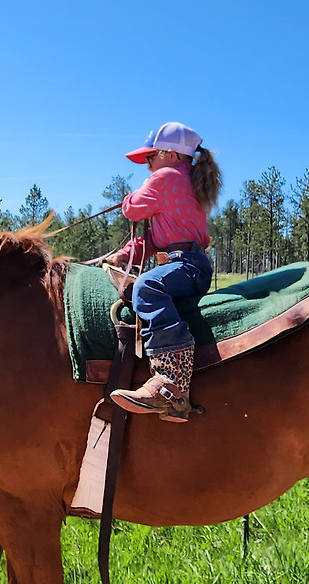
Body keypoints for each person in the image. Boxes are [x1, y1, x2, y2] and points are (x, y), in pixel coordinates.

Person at [105, 122, 222, 423]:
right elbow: (156, 239)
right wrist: (124, 255)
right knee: (149, 283)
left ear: (170, 155)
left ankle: (171, 381)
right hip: (189, 263)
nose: (148, 166)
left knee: (147, 287)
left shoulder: (167, 177)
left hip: (184, 264)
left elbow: (132, 209)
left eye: (150, 158)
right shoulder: (187, 180)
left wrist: (130, 197)